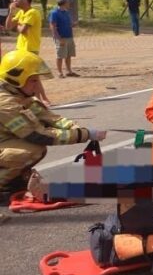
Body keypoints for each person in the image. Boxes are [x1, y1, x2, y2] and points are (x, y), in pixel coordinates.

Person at [0, 50, 107, 200]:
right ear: (17, 79)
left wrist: (74, 127)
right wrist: (86, 134)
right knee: (33, 150)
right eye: (33, 81)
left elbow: (50, 118)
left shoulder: (20, 95)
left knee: (29, 153)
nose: (37, 86)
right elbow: (39, 135)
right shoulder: (6, 104)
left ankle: (13, 181)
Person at [5, 0, 49, 105]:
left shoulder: (33, 12)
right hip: (20, 49)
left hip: (30, 48)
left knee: (33, 75)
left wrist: (18, 24)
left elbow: (23, 30)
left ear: (25, 0)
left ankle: (42, 99)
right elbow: (8, 27)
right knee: (28, 76)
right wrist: (11, 12)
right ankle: (38, 98)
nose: (14, 1)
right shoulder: (20, 13)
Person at [48, 0, 78, 78]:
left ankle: (69, 71)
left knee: (68, 55)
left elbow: (69, 24)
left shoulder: (66, 12)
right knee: (60, 55)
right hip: (61, 37)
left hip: (69, 36)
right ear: (64, 3)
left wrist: (73, 24)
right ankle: (60, 72)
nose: (69, 3)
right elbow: (52, 27)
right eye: (67, 2)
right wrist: (59, 39)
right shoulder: (54, 13)